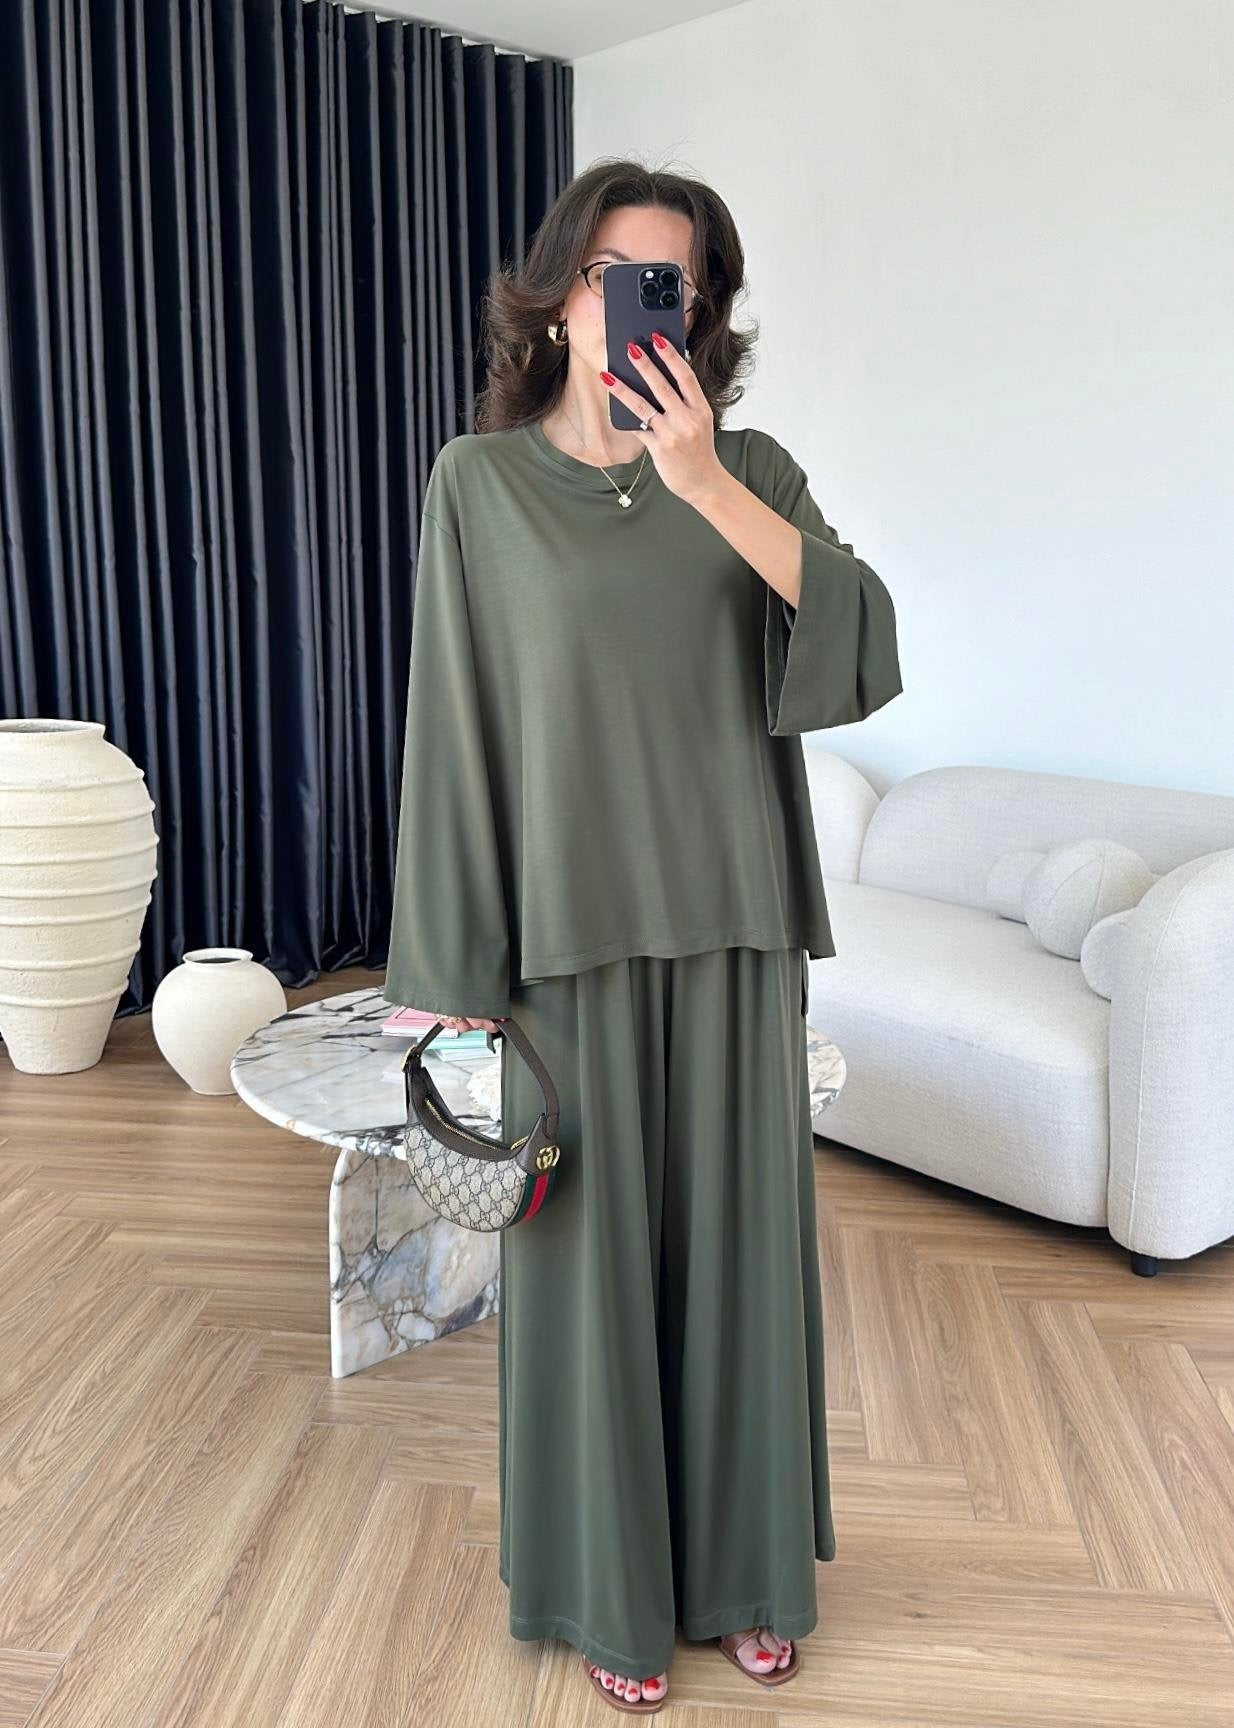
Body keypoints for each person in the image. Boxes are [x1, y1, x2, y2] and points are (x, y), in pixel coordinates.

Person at [384, 157, 903, 1714]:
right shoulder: (477, 486)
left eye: (672, 282)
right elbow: (454, 728)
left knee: (739, 1275)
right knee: (585, 1285)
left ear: (703, 311)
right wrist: (447, 975)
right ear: (558, 295)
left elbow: (861, 639)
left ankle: (747, 1576)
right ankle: (609, 1592)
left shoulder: (752, 472)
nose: (640, 307)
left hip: (733, 929)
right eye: (617, 274)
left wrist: (703, 485)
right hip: (562, 946)